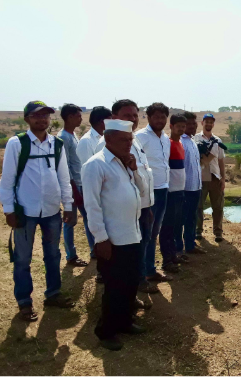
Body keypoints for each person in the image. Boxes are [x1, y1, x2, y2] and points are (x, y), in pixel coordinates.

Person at [0, 101, 75, 322]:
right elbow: (7, 180)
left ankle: (53, 294)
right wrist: (9, 210)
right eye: (36, 116)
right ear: (27, 119)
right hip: (26, 212)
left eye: (46, 116)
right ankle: (24, 302)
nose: (42, 119)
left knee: (53, 255)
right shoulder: (17, 144)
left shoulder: (56, 144)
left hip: (51, 211)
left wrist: (68, 206)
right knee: (22, 259)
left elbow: (63, 178)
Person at [82, 119, 147, 351]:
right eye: (123, 140)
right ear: (108, 139)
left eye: (130, 140)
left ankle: (125, 322)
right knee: (114, 286)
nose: (129, 144)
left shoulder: (124, 162)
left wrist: (134, 170)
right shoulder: (95, 165)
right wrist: (100, 238)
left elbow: (141, 191)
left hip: (132, 233)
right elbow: (92, 205)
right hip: (112, 239)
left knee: (130, 283)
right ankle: (106, 331)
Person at [95, 100, 157, 296]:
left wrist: (148, 206)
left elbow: (139, 176)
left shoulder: (134, 140)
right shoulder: (105, 145)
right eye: (126, 115)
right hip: (120, 216)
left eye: (135, 115)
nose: (132, 119)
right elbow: (96, 198)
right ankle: (124, 295)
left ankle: (136, 285)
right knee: (122, 262)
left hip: (141, 206)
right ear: (113, 118)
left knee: (141, 247)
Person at [135, 103, 174, 279]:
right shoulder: (140, 137)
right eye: (156, 116)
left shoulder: (165, 138)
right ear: (149, 118)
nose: (160, 120)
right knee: (145, 234)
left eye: (163, 117)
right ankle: (141, 273)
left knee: (154, 233)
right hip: (147, 192)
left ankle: (150, 269)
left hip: (163, 189)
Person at [57, 104, 92, 266]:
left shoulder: (72, 135)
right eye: (78, 116)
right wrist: (73, 189)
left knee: (88, 217)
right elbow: (64, 166)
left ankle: (94, 249)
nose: (81, 118)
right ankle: (71, 255)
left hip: (80, 183)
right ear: (70, 117)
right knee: (70, 220)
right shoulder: (63, 137)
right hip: (73, 185)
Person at [159, 114, 187, 272]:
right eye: (179, 126)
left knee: (175, 226)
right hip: (170, 192)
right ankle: (166, 260)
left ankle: (173, 254)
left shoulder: (180, 143)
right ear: (171, 126)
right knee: (167, 228)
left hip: (179, 192)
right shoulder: (167, 144)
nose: (182, 129)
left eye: (183, 126)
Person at [195, 114, 226, 243]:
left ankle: (218, 232)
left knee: (218, 206)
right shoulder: (195, 138)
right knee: (198, 206)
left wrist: (223, 178)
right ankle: (198, 231)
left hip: (214, 176)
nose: (209, 124)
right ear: (202, 123)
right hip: (201, 176)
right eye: (206, 122)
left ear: (213, 124)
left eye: (211, 122)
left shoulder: (218, 140)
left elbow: (221, 161)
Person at [178, 111, 206, 255]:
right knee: (182, 219)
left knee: (192, 217)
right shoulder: (181, 142)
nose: (192, 126)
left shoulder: (192, 142)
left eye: (194, 123)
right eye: (188, 124)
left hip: (196, 187)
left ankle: (190, 244)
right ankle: (178, 249)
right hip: (185, 189)